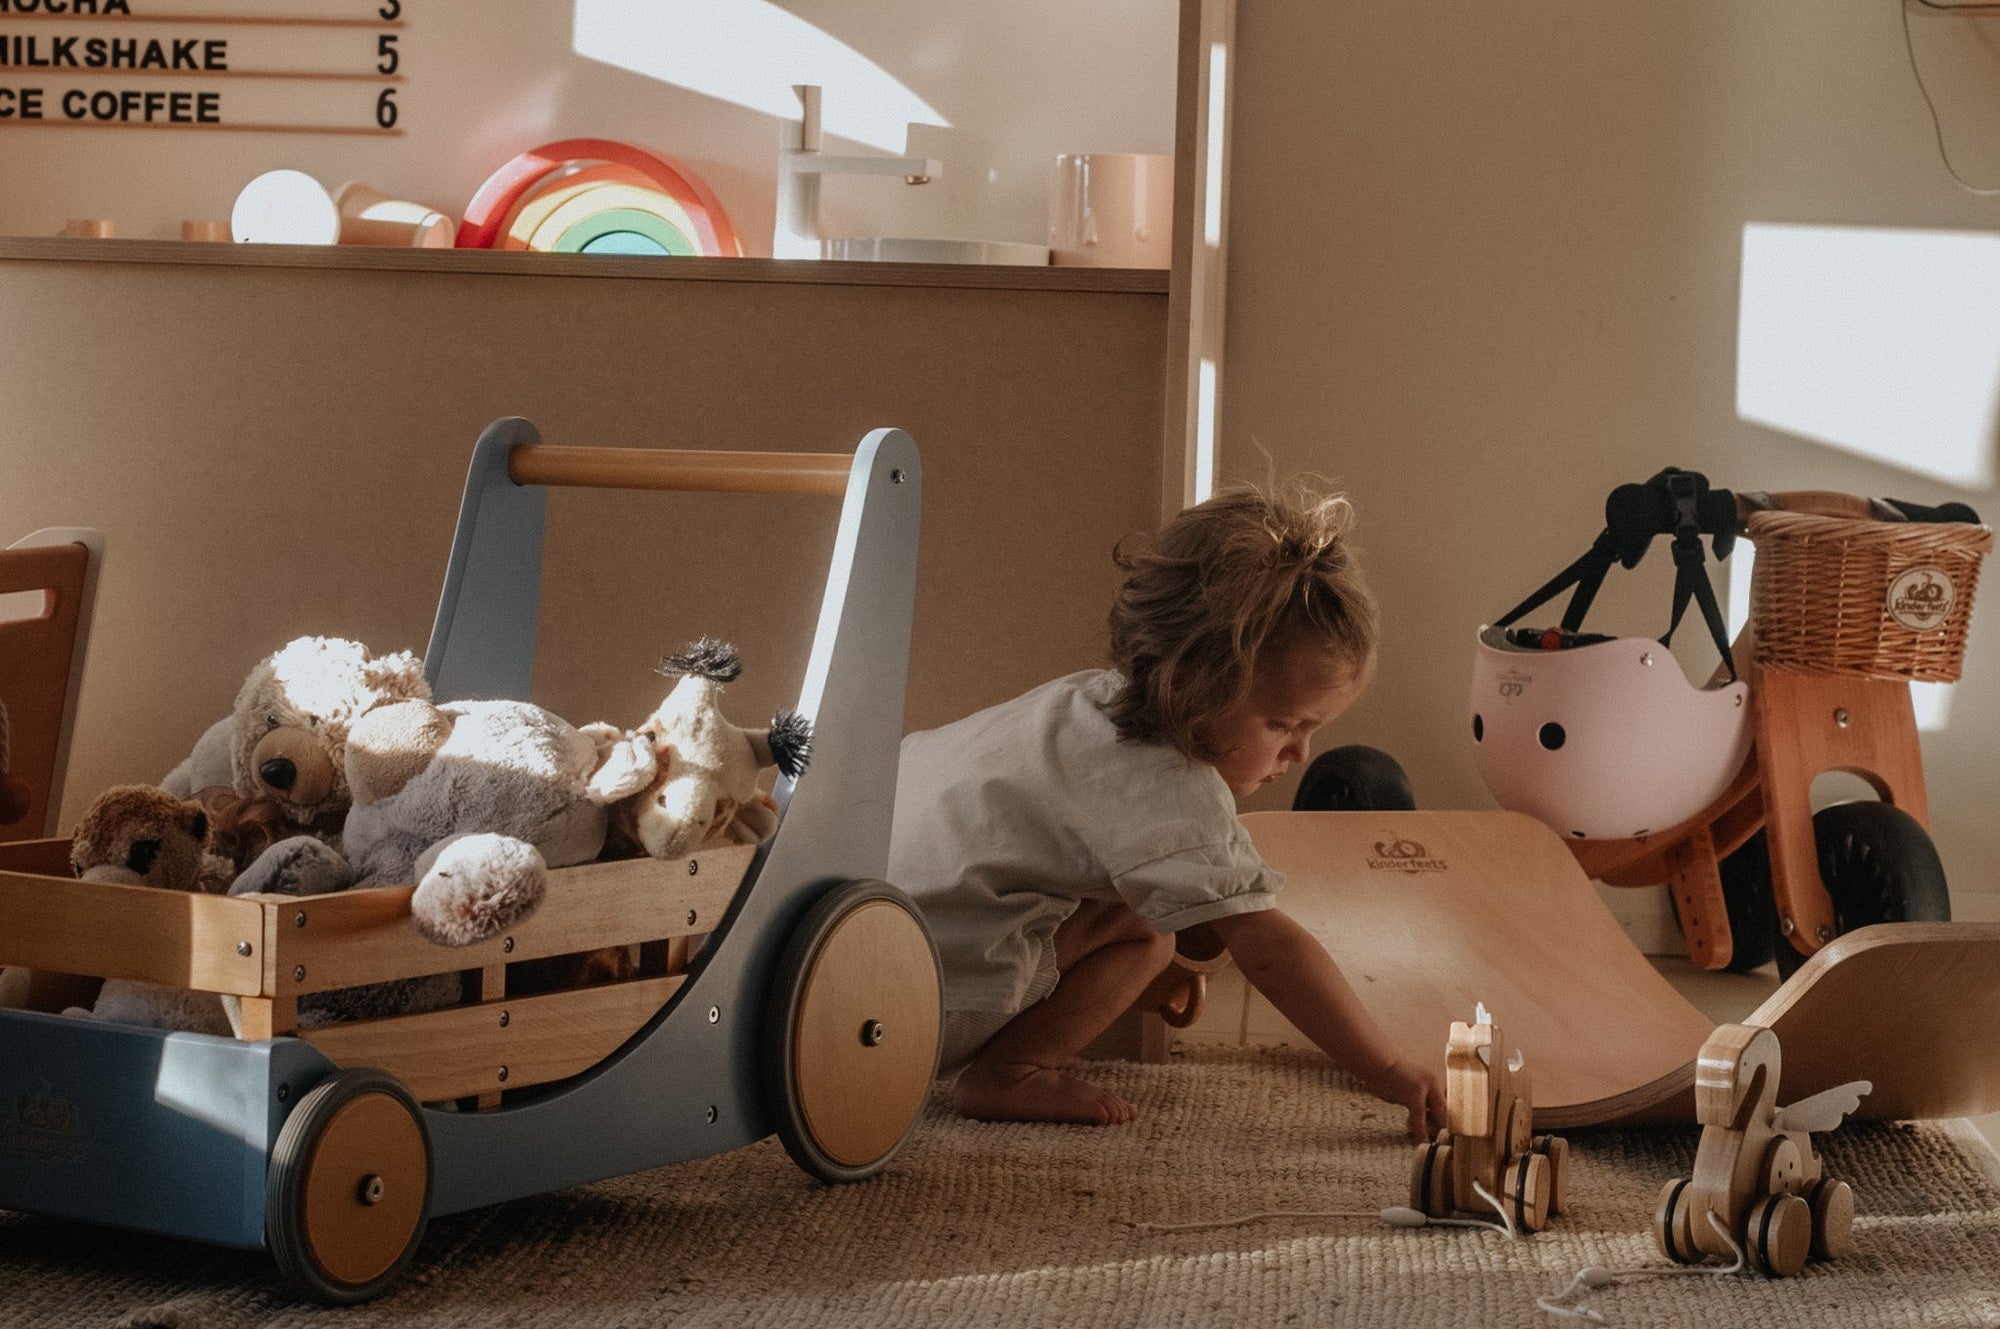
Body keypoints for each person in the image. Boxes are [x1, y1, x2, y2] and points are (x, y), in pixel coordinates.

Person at [888, 482, 1447, 1141]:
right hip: (924, 1008)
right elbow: (1271, 954)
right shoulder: (1167, 781)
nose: (1299, 752)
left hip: (873, 963)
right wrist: (1383, 1068)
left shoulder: (1078, 705)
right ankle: (1012, 1069)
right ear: (1192, 686)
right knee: (1151, 935)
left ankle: (1010, 1059)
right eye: (1284, 724)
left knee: (1129, 908)